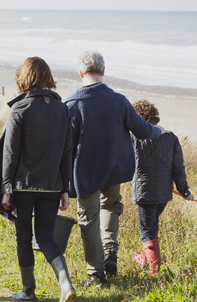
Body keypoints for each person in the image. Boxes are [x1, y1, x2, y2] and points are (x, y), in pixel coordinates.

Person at [65, 50, 166, 288]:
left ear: (80, 73)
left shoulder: (72, 103)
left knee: (87, 219)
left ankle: (96, 274)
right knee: (110, 206)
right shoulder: (119, 100)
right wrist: (160, 131)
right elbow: (142, 129)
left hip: (86, 172)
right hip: (114, 167)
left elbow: (66, 147)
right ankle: (110, 254)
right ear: (103, 71)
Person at [0, 56, 76, 302]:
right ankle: (66, 285)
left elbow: (10, 153)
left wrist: (6, 188)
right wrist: (65, 187)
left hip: (22, 186)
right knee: (45, 237)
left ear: (24, 78)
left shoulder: (20, 109)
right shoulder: (62, 109)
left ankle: (29, 292)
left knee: (24, 237)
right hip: (53, 185)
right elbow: (67, 153)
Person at [131, 100, 193, 276]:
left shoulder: (133, 137)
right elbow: (178, 169)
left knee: (148, 232)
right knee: (152, 228)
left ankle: (155, 273)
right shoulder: (170, 137)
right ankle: (143, 258)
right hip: (163, 195)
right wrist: (184, 190)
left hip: (144, 195)